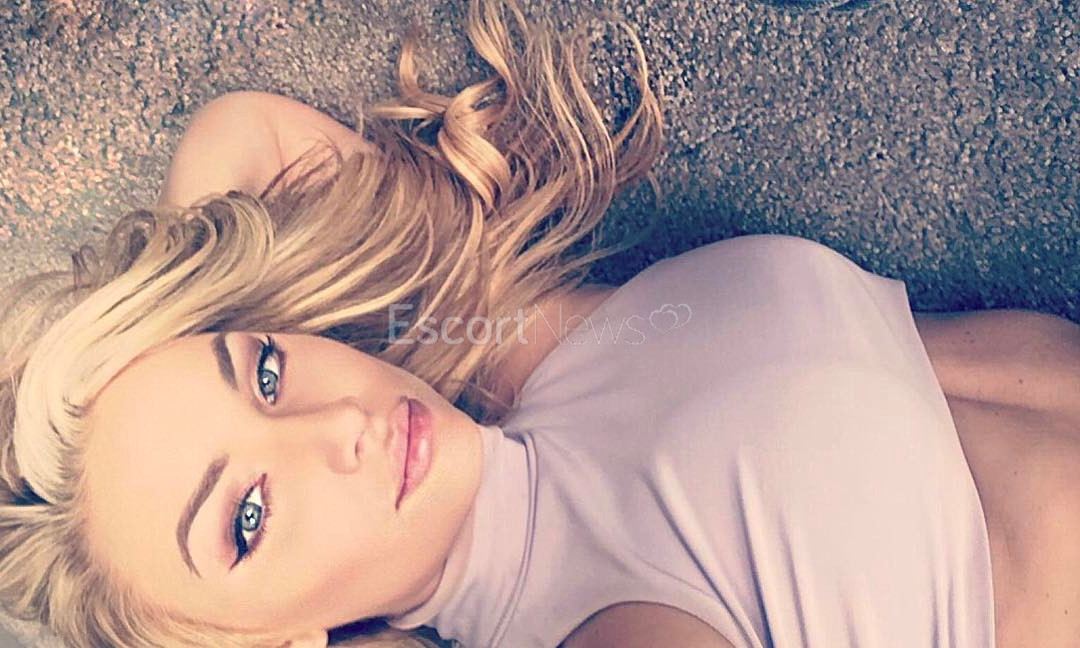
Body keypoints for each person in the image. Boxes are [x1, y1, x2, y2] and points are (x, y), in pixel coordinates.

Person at [2, 0, 1080, 647]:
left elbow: (240, 141)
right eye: (246, 518)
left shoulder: (507, 345)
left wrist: (181, 324)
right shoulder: (605, 622)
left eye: (267, 374)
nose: (339, 430)